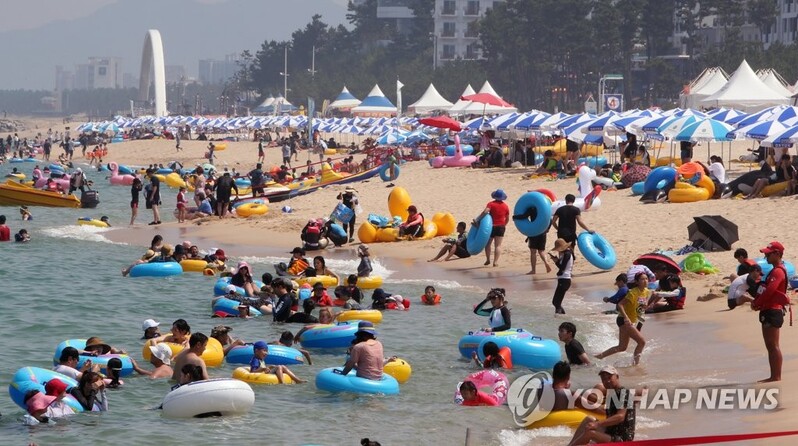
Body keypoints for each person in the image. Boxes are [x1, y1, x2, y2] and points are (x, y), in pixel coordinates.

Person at [567, 366, 636, 445]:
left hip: (622, 439)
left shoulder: (624, 392)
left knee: (590, 433)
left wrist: (597, 424)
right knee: (589, 419)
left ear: (617, 377)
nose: (607, 381)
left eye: (609, 377)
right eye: (604, 379)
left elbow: (620, 417)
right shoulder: (611, 394)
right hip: (611, 432)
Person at [752, 241, 789, 382]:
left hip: (773, 311)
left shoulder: (778, 271)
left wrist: (756, 302)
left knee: (772, 346)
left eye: (768, 253)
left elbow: (770, 291)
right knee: (771, 346)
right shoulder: (775, 270)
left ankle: (775, 376)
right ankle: (774, 375)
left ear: (777, 254)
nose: (766, 255)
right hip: (769, 309)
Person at [596, 272, 648, 365]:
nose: (645, 281)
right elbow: (620, 305)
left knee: (622, 347)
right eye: (642, 279)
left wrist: (640, 323)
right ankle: (636, 365)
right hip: (623, 320)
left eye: (646, 279)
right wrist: (626, 318)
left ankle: (599, 357)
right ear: (636, 281)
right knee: (642, 342)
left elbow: (641, 309)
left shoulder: (646, 292)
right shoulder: (633, 292)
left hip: (631, 320)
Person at [475, 189, 510, 267]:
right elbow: (507, 218)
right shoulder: (505, 206)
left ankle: (488, 259)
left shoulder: (491, 204)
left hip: (491, 227)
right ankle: (495, 262)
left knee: (488, 244)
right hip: (501, 227)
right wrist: (504, 225)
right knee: (498, 245)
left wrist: (478, 219)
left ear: (495, 196)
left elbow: (485, 212)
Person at [550, 238, 575, 314]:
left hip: (564, 280)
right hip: (563, 280)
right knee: (556, 302)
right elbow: (563, 266)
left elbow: (562, 267)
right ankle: (562, 316)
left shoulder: (567, 254)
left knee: (556, 302)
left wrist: (556, 261)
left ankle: (559, 317)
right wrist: (556, 261)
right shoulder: (566, 253)